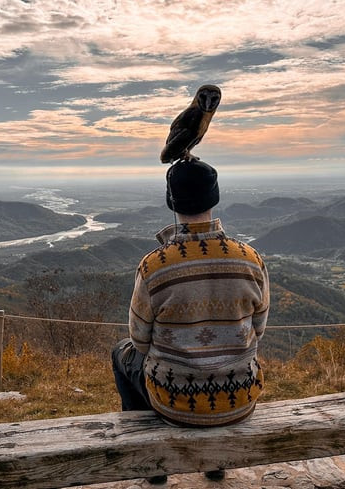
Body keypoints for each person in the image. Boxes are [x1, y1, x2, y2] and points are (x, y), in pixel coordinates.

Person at [111, 159, 270, 484]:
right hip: (238, 399)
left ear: (172, 201)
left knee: (122, 353)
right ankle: (214, 464)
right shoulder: (251, 260)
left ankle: (153, 466)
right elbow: (258, 330)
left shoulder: (154, 266)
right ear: (214, 198)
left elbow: (140, 340)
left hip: (174, 402)